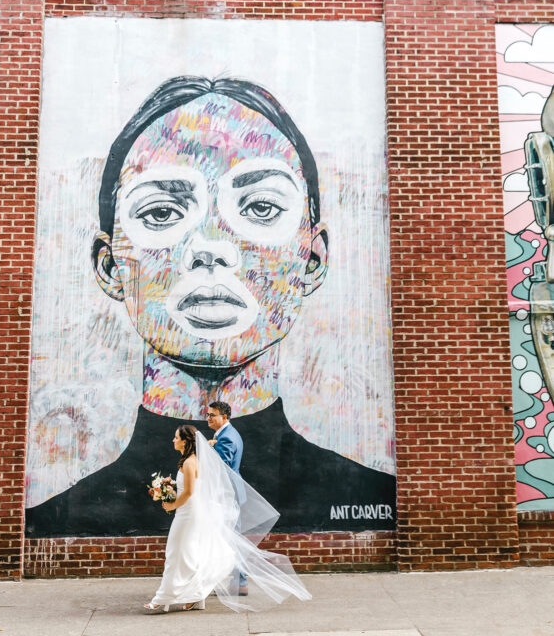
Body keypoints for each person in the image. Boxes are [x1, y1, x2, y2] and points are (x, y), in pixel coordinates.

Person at [26, 76, 395, 537]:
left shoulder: (369, 493)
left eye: (260, 207)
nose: (210, 248)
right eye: (161, 212)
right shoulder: (53, 519)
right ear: (110, 266)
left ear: (312, 259)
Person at [143, 424, 311, 613]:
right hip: (189, 512)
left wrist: (172, 504)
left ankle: (164, 597)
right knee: (186, 554)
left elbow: (189, 491)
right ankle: (193, 595)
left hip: (188, 514)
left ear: (184, 441)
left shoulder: (190, 462)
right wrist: (170, 492)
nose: (173, 440)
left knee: (177, 553)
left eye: (176, 437)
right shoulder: (191, 460)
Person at [207, 400, 247, 595]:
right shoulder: (226, 434)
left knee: (232, 538)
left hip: (228, 493)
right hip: (228, 492)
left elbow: (221, 465)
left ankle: (241, 581)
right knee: (230, 537)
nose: (208, 418)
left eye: (212, 415)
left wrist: (208, 450)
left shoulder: (227, 437)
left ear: (224, 417)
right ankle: (239, 581)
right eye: (208, 415)